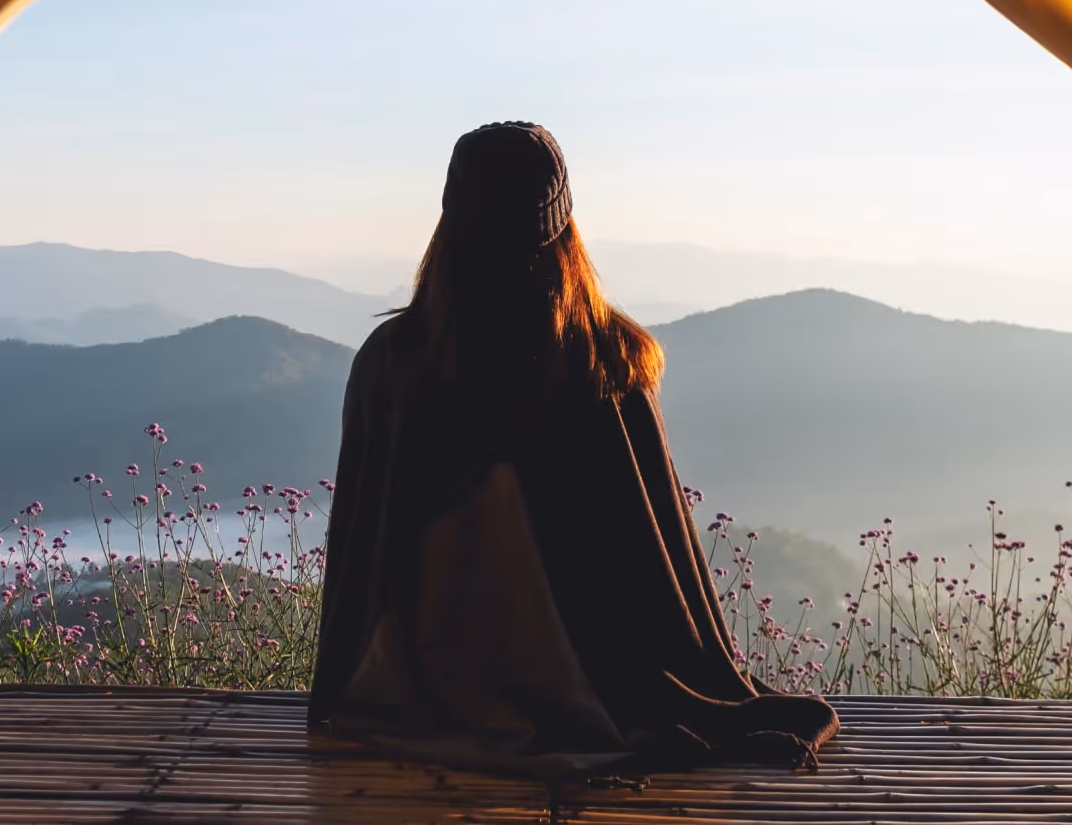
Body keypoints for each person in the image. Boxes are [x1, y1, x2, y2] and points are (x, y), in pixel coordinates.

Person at [309, 122, 839, 776]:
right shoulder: (611, 359)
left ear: (450, 217)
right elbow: (645, 566)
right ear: (562, 223)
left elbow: (364, 553)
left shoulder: (391, 362)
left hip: (417, 683)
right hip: (594, 679)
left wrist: (338, 681)